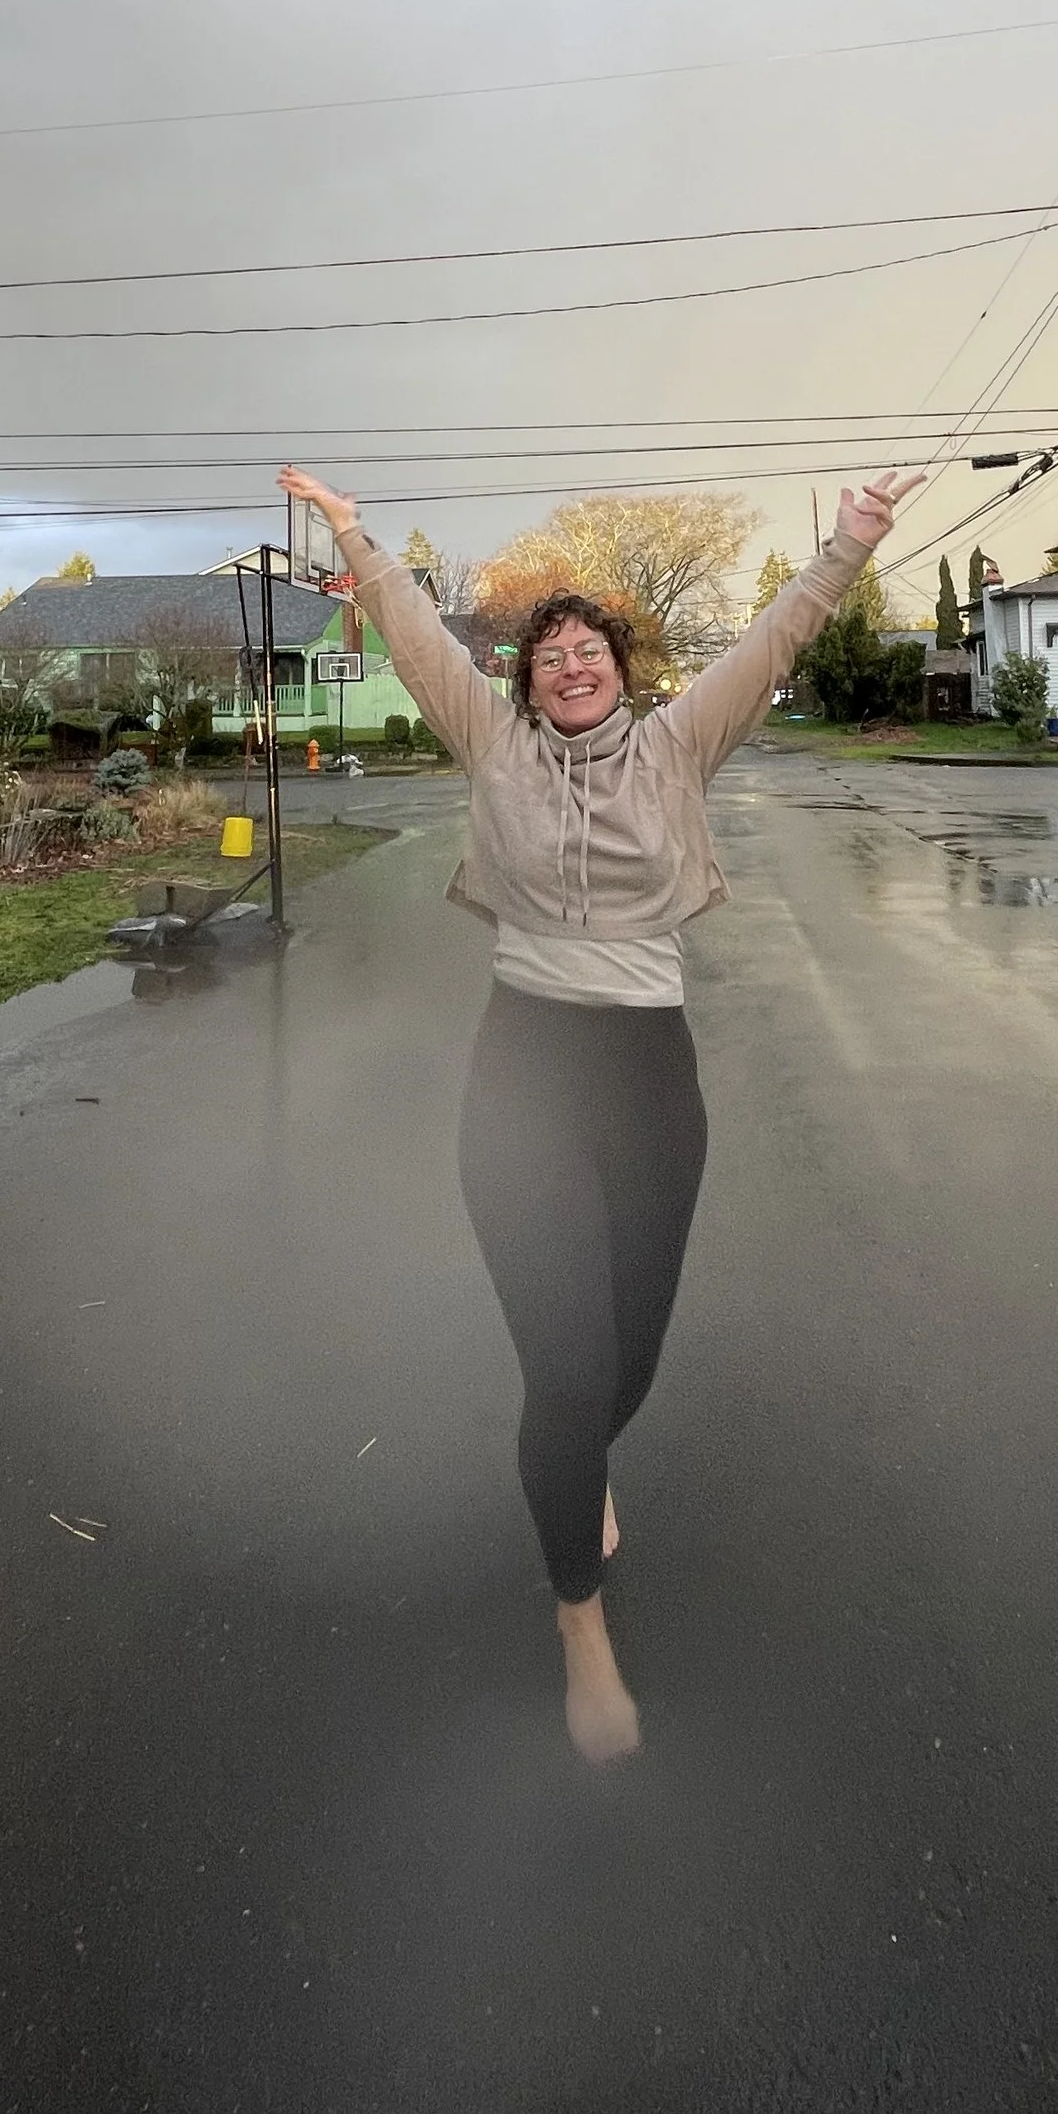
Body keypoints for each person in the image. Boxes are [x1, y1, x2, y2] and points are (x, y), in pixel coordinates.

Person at [277, 464, 922, 1763]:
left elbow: (780, 630)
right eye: (548, 653)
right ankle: (582, 1619)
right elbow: (407, 628)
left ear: (622, 670)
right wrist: (351, 530)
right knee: (567, 1370)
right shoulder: (492, 740)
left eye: (589, 649)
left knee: (625, 1360)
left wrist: (850, 541)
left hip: (647, 1077)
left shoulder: (684, 742)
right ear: (522, 682)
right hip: (522, 1070)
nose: (569, 664)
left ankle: (575, 1461)